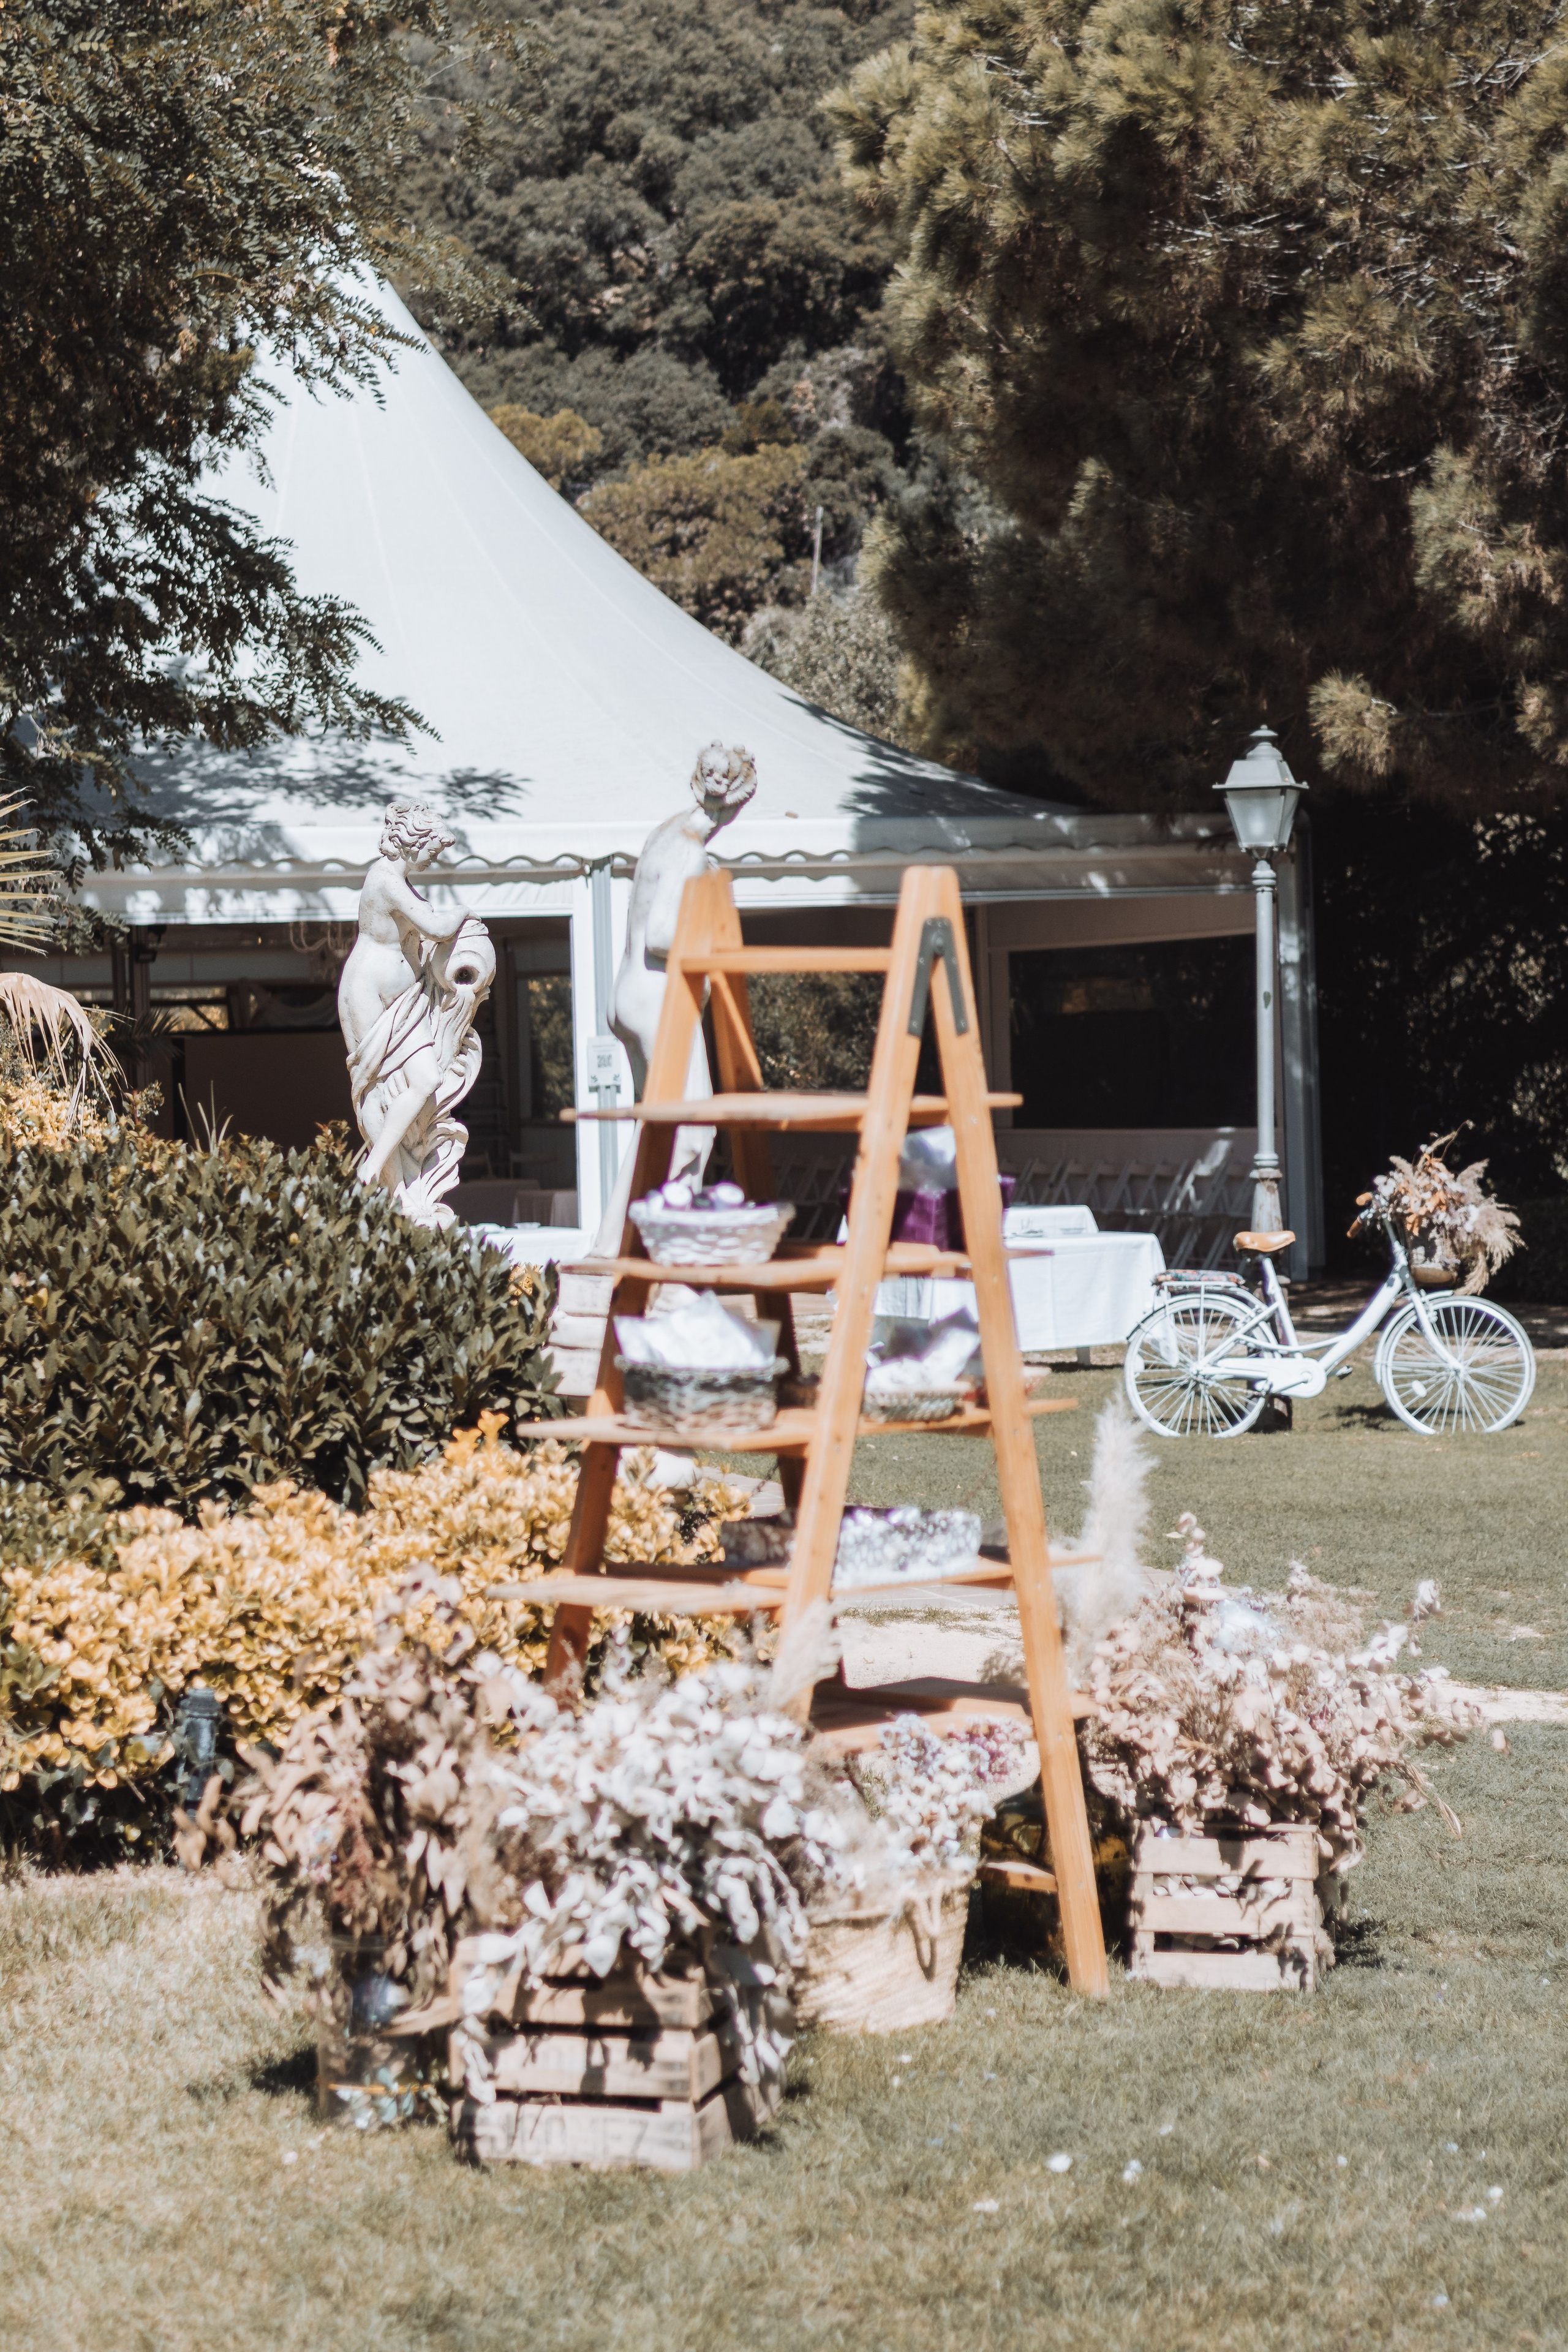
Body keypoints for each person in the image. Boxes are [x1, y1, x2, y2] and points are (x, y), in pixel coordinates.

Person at [590, 744, 757, 1255]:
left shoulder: (665, 832)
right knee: (693, 1128)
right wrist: (715, 942)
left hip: (630, 993)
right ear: (735, 801)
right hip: (658, 994)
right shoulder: (690, 849)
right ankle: (667, 1254)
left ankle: (613, 1247)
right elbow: (662, 935)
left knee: (657, 1126)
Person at [337, 799, 495, 1223]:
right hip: (368, 993)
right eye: (432, 850)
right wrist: (466, 912)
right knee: (373, 1088)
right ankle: (391, 1186)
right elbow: (439, 928)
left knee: (427, 1079)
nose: (434, 859)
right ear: (412, 841)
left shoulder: (402, 881)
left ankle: (387, 1172)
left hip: (402, 1001)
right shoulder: (385, 879)